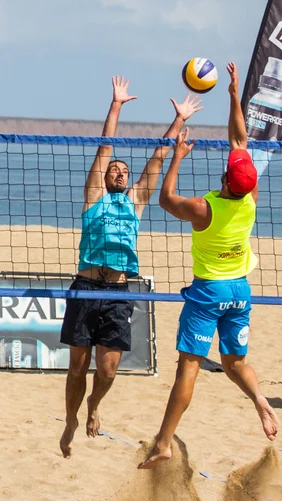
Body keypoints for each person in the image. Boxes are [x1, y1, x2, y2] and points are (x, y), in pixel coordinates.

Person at [138, 62, 279, 469]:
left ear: (225, 176)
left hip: (209, 292)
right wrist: (234, 94)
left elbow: (165, 201)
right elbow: (240, 137)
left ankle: (164, 441)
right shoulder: (249, 201)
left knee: (189, 367)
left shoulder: (205, 209)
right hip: (240, 291)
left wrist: (178, 157)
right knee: (235, 363)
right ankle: (259, 399)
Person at [59, 76, 202, 458]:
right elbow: (105, 147)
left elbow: (156, 157)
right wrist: (117, 104)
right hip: (86, 287)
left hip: (119, 290)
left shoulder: (135, 201)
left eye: (124, 171)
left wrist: (178, 120)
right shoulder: (94, 198)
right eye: (114, 171)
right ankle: (71, 418)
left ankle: (94, 404)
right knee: (77, 367)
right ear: (104, 179)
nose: (119, 173)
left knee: (106, 371)